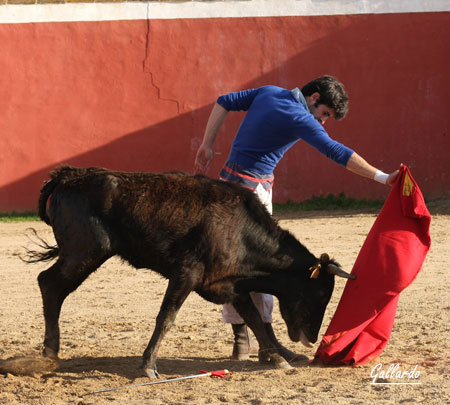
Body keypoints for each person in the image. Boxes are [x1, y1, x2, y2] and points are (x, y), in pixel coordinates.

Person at [194, 75, 400, 362]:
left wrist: (207, 145)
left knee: (233, 266)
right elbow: (336, 151)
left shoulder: (269, 92)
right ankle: (268, 345)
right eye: (325, 114)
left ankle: (241, 341)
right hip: (252, 196)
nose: (323, 122)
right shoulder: (299, 117)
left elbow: (224, 102)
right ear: (313, 98)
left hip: (226, 186)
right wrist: (382, 177)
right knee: (264, 268)